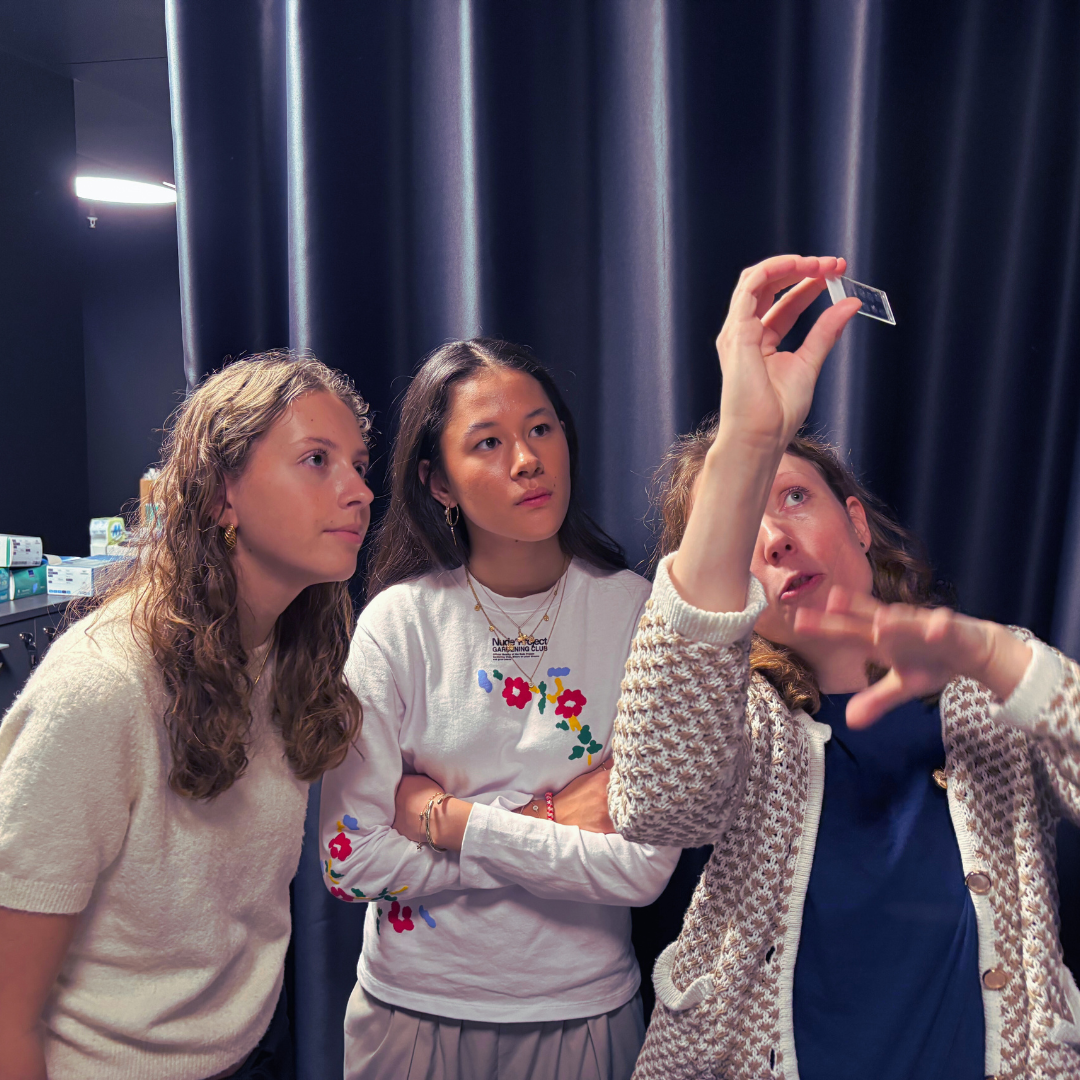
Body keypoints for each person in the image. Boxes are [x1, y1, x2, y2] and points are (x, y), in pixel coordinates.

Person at [608, 255, 1080, 1079]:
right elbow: (655, 805)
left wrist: (996, 656)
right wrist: (747, 443)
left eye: (793, 497)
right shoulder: (738, 723)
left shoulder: (988, 687)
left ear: (857, 524)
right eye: (742, 525)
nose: (776, 539)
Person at [0, 353, 374, 1080]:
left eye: (358, 465)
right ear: (221, 494)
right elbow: (6, 1014)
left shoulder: (291, 656)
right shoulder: (103, 685)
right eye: (317, 460)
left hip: (251, 1051)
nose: (359, 490)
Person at [320, 338, 681, 1080]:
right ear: (438, 482)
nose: (527, 460)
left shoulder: (636, 613)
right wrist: (545, 820)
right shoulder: (398, 623)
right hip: (411, 1016)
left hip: (584, 1013)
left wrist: (445, 819)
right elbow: (348, 861)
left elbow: (644, 870)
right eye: (488, 442)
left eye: (541, 428)